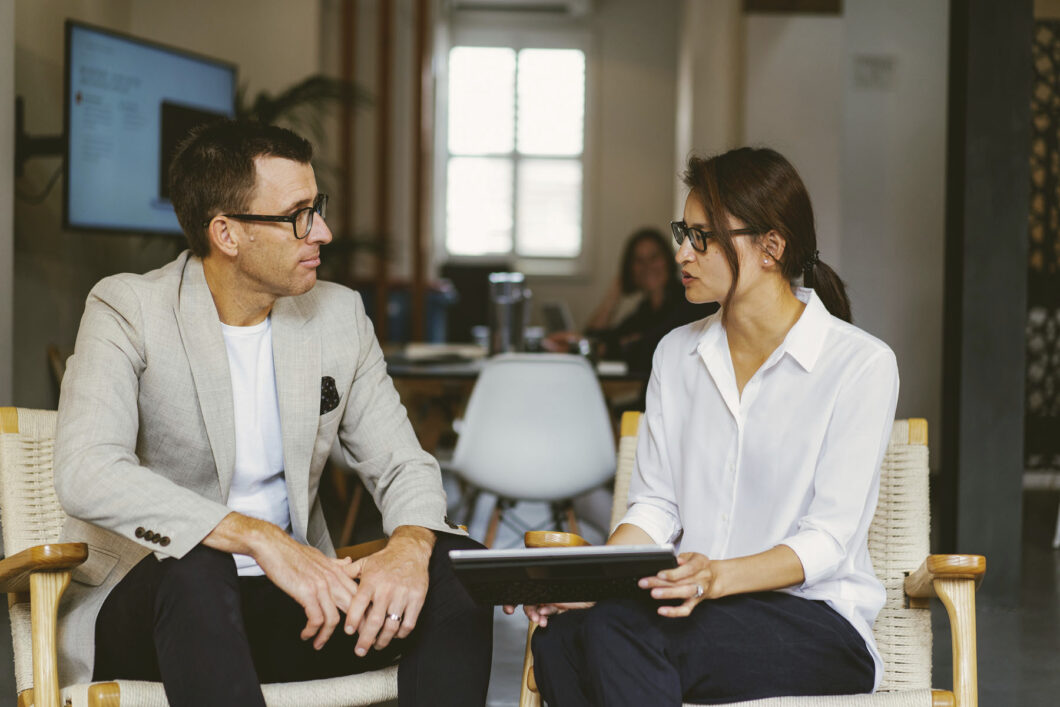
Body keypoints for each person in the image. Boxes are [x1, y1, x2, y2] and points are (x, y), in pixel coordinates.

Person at [53, 120, 492, 707]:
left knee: (459, 562)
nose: (324, 232)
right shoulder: (128, 308)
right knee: (200, 562)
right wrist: (259, 538)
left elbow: (403, 464)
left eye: (319, 208)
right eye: (298, 215)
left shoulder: (337, 316)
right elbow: (86, 470)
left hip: (299, 604)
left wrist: (410, 548)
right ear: (227, 233)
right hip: (160, 610)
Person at [508, 147, 899, 705]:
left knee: (618, 634)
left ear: (771, 246)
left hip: (819, 621)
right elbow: (656, 508)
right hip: (696, 609)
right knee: (561, 637)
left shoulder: (861, 364)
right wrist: (589, 585)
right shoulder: (676, 354)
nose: (681, 253)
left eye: (702, 237)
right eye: (681, 232)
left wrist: (715, 577)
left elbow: (829, 541)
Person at [547, 228, 716, 373]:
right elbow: (599, 338)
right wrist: (615, 292)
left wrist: (621, 345)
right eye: (639, 261)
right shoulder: (645, 310)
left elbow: (646, 350)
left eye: (654, 257)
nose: (647, 266)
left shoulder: (689, 301)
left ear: (667, 260)